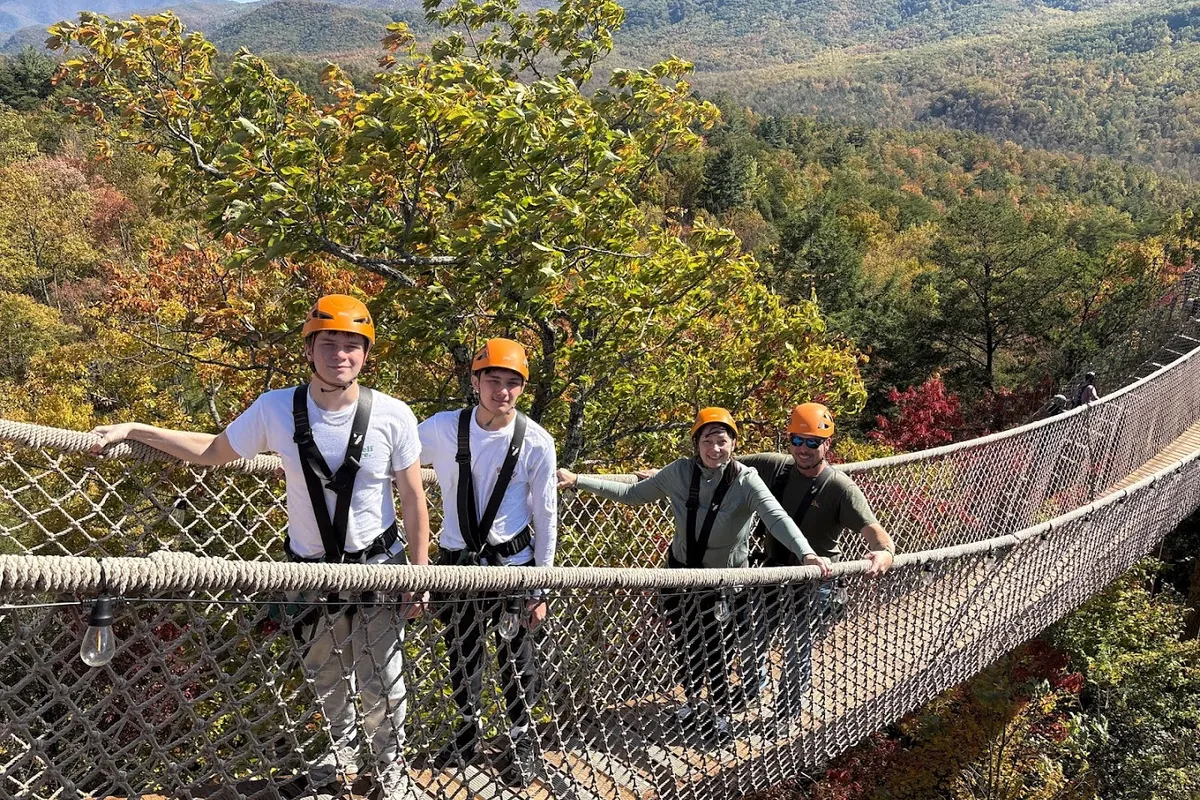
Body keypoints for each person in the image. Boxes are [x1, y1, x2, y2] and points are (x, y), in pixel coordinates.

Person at [89, 294, 430, 800]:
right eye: (329, 343)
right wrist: (137, 429)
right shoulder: (276, 409)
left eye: (352, 345)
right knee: (327, 676)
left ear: (365, 353)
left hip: (379, 568)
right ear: (309, 349)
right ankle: (335, 766)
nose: (340, 354)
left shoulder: (392, 415)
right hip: (311, 573)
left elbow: (413, 497)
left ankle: (390, 774)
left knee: (384, 679)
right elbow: (212, 451)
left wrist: (420, 575)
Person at [557, 407, 830, 740]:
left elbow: (776, 517)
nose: (715, 449)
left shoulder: (746, 480)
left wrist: (806, 553)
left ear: (733, 444)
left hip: (724, 582)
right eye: (707, 441)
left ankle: (719, 712)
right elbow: (632, 495)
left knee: (718, 647)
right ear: (696, 444)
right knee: (685, 644)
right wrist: (578, 480)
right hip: (681, 576)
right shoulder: (680, 473)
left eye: (722, 441)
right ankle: (691, 702)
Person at [417, 338, 557, 788]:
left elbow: (546, 515)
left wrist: (540, 587)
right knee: (462, 652)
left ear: (523, 388)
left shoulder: (536, 441)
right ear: (475, 381)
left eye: (512, 383)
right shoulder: (441, 428)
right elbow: (391, 459)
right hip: (457, 565)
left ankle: (521, 739)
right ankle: (466, 734)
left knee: (517, 658)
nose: (502, 391)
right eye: (493, 380)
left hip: (512, 565)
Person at [738, 402, 894, 719]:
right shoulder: (774, 467)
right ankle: (753, 690)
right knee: (751, 635)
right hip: (773, 573)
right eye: (797, 440)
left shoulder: (839, 488)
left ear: (827, 444)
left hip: (816, 582)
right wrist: (664, 477)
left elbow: (873, 530)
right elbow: (718, 461)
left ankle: (788, 712)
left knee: (797, 649)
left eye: (812, 442)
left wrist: (885, 552)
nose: (803, 449)